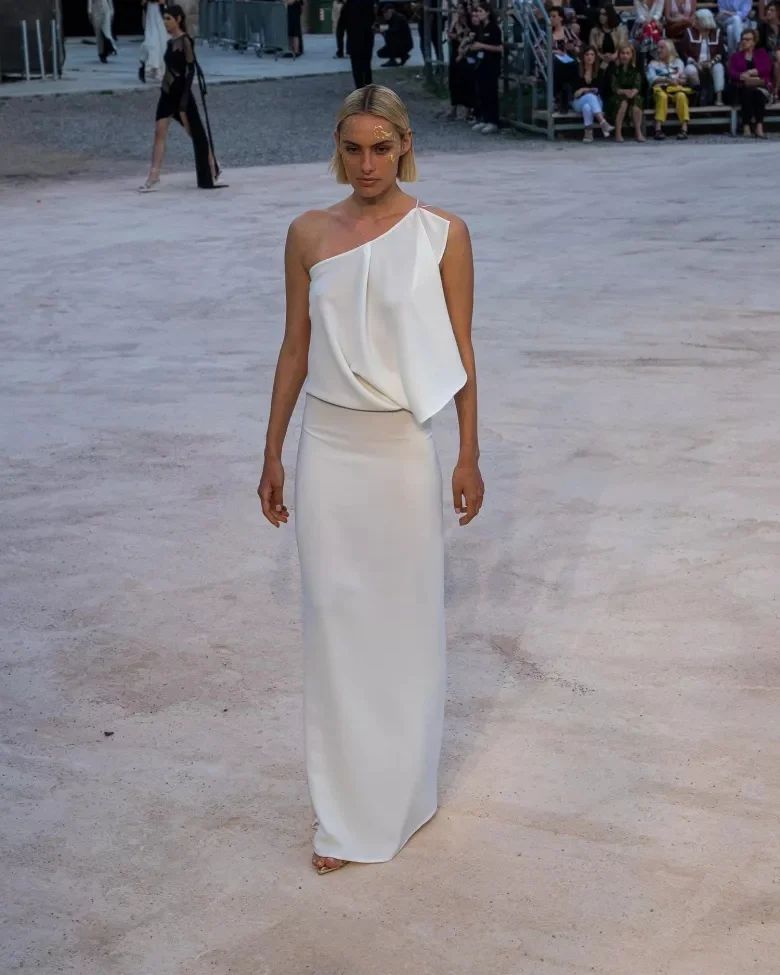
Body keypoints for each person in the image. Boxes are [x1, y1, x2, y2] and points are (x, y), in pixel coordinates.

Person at [257, 83, 483, 876]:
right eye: (353, 149)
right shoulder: (307, 233)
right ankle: (346, 809)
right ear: (338, 149)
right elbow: (294, 347)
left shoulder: (443, 234)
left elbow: (461, 349)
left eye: (381, 148)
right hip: (328, 445)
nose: (366, 164)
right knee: (334, 624)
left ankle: (403, 796)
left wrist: (468, 451)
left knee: (406, 623)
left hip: (400, 451)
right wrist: (272, 450)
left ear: (405, 146)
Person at [139, 6, 221, 191]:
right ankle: (153, 175)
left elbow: (190, 70)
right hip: (167, 94)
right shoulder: (169, 43)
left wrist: (184, 98)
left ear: (178, 19)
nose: (165, 22)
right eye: (164, 19)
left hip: (181, 95)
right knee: (159, 132)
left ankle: (212, 164)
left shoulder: (185, 41)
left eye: (168, 18)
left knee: (196, 134)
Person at [465, 3, 503, 133]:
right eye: (477, 11)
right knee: (482, 93)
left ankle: (493, 121)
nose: (478, 14)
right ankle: (484, 118)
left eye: (481, 11)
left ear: (487, 13)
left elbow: (499, 48)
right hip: (480, 64)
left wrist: (482, 46)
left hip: (491, 65)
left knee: (491, 93)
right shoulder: (479, 28)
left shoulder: (493, 28)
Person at [647, 38, 693, 139]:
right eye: (658, 48)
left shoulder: (678, 62)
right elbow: (651, 79)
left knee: (681, 96)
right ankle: (658, 129)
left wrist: (681, 80)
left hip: (675, 89)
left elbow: (683, 78)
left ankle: (684, 129)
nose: (658, 50)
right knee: (662, 96)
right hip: (660, 88)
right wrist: (667, 80)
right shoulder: (653, 64)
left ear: (669, 49)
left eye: (662, 48)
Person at [729, 27, 772, 135]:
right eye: (743, 39)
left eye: (748, 39)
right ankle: (746, 125)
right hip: (742, 86)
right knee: (748, 92)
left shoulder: (761, 53)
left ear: (754, 41)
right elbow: (731, 72)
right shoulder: (736, 56)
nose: (744, 41)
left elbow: (767, 68)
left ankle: (759, 126)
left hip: (759, 85)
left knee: (758, 94)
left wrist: (753, 71)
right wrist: (742, 76)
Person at [681, 9, 726, 105]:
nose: (694, 21)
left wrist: (711, 63)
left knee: (719, 67)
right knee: (690, 70)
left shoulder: (717, 33)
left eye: (697, 19)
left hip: (711, 62)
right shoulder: (689, 32)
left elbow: (720, 53)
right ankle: (698, 95)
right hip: (695, 63)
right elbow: (684, 53)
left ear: (704, 21)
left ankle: (719, 98)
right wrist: (696, 64)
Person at [572, 46, 615, 139]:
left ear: (595, 57)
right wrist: (586, 90)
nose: (589, 57)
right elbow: (575, 94)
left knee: (587, 107)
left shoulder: (599, 71)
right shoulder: (577, 70)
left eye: (592, 54)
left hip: (597, 102)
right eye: (587, 54)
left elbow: (599, 89)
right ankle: (603, 122)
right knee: (590, 96)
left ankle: (588, 133)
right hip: (578, 101)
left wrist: (584, 90)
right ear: (583, 56)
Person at [609, 42, 646, 140]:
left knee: (637, 100)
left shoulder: (636, 69)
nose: (625, 56)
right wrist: (625, 92)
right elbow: (614, 88)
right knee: (623, 102)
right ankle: (618, 132)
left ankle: (638, 132)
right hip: (617, 95)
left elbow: (637, 86)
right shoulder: (614, 69)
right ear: (619, 54)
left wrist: (632, 92)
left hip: (632, 94)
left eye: (627, 53)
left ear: (631, 55)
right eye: (622, 53)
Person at [446, 2, 477, 120]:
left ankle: (467, 110)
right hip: (455, 52)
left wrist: (459, 34)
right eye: (457, 8)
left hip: (465, 53)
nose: (459, 11)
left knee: (467, 81)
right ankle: (453, 108)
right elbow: (450, 35)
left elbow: (467, 38)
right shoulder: (455, 21)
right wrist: (453, 25)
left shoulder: (469, 22)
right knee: (454, 81)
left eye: (461, 8)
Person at [549, 4, 582, 112]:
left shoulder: (567, 32)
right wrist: (554, 51)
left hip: (567, 61)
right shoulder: (547, 33)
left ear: (561, 18)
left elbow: (579, 46)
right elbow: (538, 49)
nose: (551, 19)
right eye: (550, 16)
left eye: (554, 16)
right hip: (553, 62)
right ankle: (561, 96)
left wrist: (574, 48)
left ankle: (565, 96)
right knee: (556, 63)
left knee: (574, 64)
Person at [340, 0, 377, 88]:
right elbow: (372, 17)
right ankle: (368, 85)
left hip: (354, 38)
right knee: (366, 64)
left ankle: (360, 87)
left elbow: (342, 22)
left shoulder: (349, 4)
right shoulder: (368, 2)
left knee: (356, 65)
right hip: (367, 37)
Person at [589, 5, 628, 76]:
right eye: (600, 14)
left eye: (604, 14)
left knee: (613, 68)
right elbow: (593, 48)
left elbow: (623, 46)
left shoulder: (619, 30)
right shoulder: (594, 31)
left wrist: (614, 55)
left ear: (610, 16)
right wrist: (602, 56)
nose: (601, 16)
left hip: (616, 59)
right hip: (600, 60)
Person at [139, 0, 166, 83]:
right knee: (151, 43)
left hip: (159, 16)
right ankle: (147, 66)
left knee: (162, 42)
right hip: (151, 16)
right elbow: (142, 2)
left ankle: (158, 69)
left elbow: (163, 1)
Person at [757, 0, 780, 99]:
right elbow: (759, 47)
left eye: (772, 10)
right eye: (768, 10)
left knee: (777, 64)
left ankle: (775, 91)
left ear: (778, 13)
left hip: (778, 58)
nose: (768, 12)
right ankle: (776, 92)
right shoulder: (762, 28)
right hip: (766, 56)